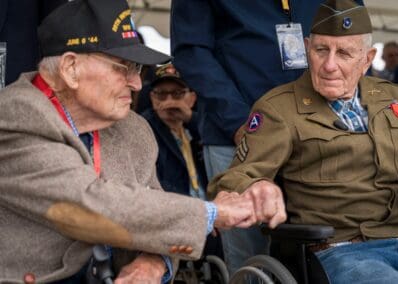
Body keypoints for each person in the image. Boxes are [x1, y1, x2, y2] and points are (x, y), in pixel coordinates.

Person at [0, 0, 260, 283]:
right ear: (71, 68)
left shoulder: (134, 129)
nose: (137, 83)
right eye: (122, 67)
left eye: (137, 68)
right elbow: (87, 203)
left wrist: (154, 263)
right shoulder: (15, 117)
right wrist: (211, 213)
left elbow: (157, 217)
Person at [209, 0, 398, 283]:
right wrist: (257, 186)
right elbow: (237, 176)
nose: (329, 65)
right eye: (321, 50)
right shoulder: (279, 108)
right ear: (307, 47)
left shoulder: (391, 97)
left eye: (344, 53)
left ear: (368, 59)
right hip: (341, 250)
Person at [171, 0, 364, 274]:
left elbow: (354, 40)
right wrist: (240, 122)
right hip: (237, 134)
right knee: (251, 261)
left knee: (333, 249)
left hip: (323, 134)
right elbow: (191, 51)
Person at [142, 63, 223, 259]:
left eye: (177, 94)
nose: (169, 102)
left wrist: (190, 118)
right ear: (152, 98)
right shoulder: (145, 129)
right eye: (161, 95)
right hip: (178, 216)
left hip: (211, 211)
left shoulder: (202, 127)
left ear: (192, 98)